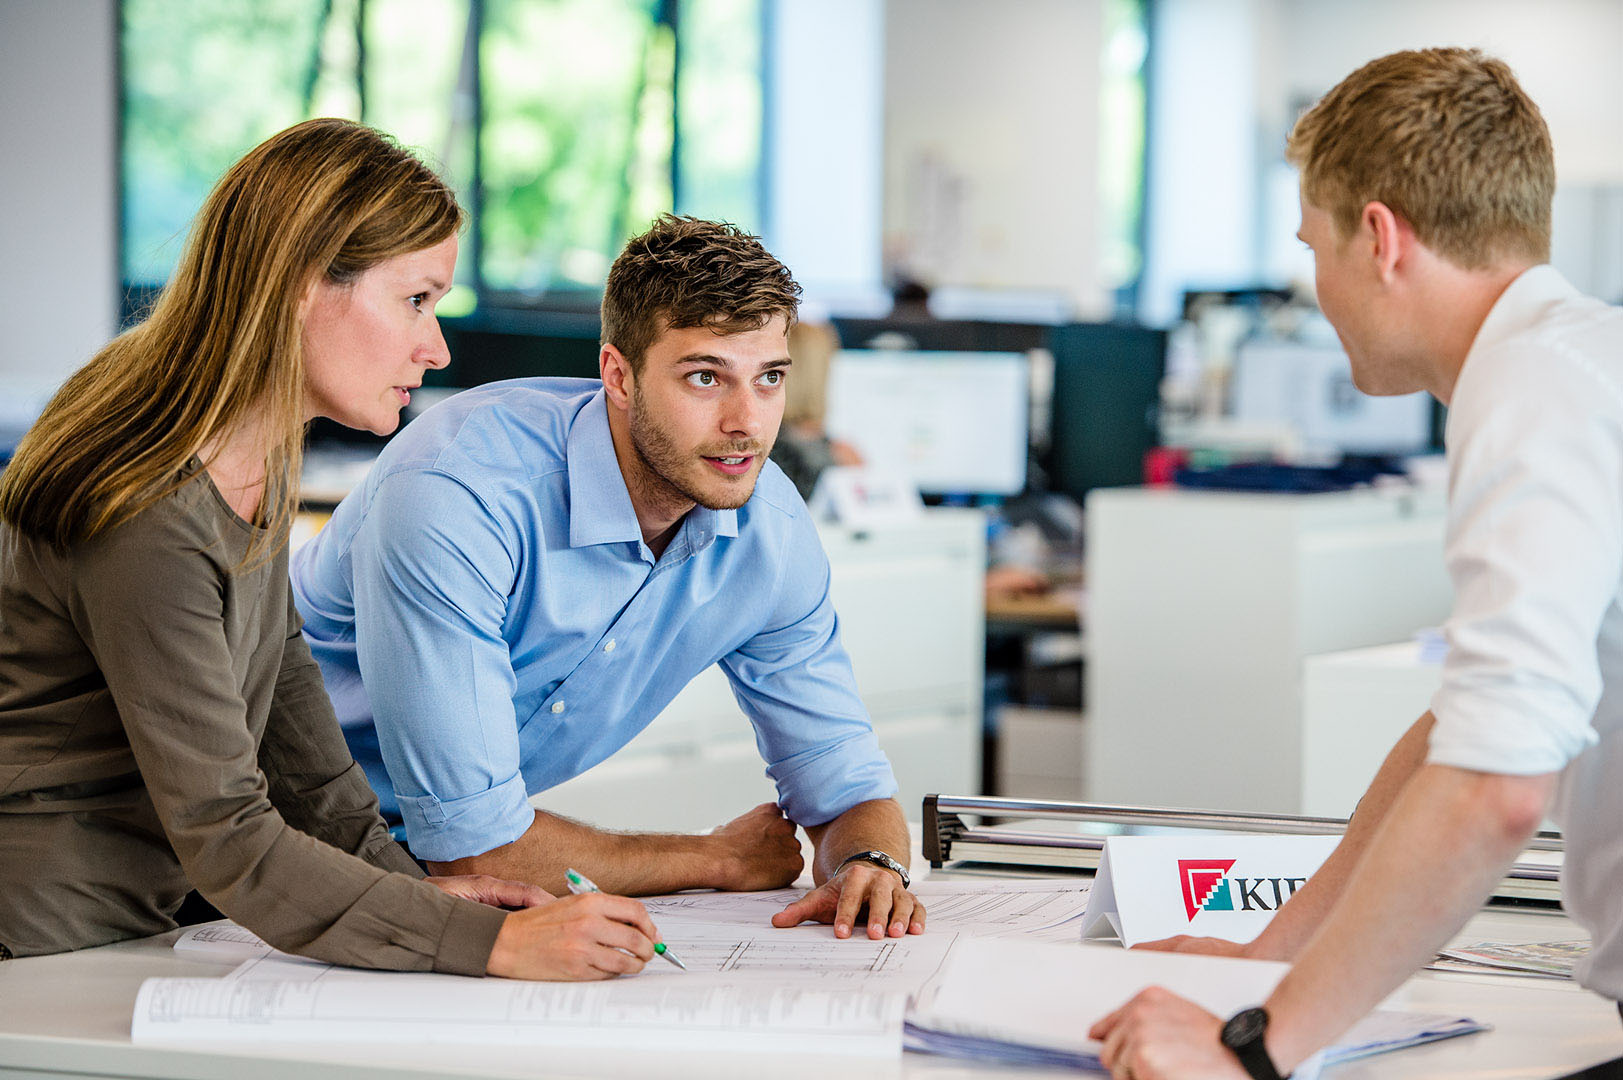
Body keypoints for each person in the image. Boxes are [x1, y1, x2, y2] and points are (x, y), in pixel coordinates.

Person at [0, 118, 662, 980]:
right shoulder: (149, 498)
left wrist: (417, 896)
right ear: (304, 286)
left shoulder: (249, 447)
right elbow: (228, 830)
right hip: (43, 944)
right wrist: (484, 945)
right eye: (416, 300)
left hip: (149, 921)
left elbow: (292, 720)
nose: (437, 346)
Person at [1089, 48, 1623, 1078]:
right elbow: (1453, 738)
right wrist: (1267, 965)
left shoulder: (1528, 391)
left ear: (1379, 238)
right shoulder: (1580, 359)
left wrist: (1254, 1048)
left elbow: (1496, 787)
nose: (1317, 291)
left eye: (1313, 249)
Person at [292, 214, 925, 941]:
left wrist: (870, 864)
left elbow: (846, 785)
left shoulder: (769, 531)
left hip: (414, 883)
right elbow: (474, 846)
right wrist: (712, 857)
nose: (746, 422)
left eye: (769, 378)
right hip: (247, 846)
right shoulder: (459, 492)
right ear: (617, 376)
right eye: (704, 377)